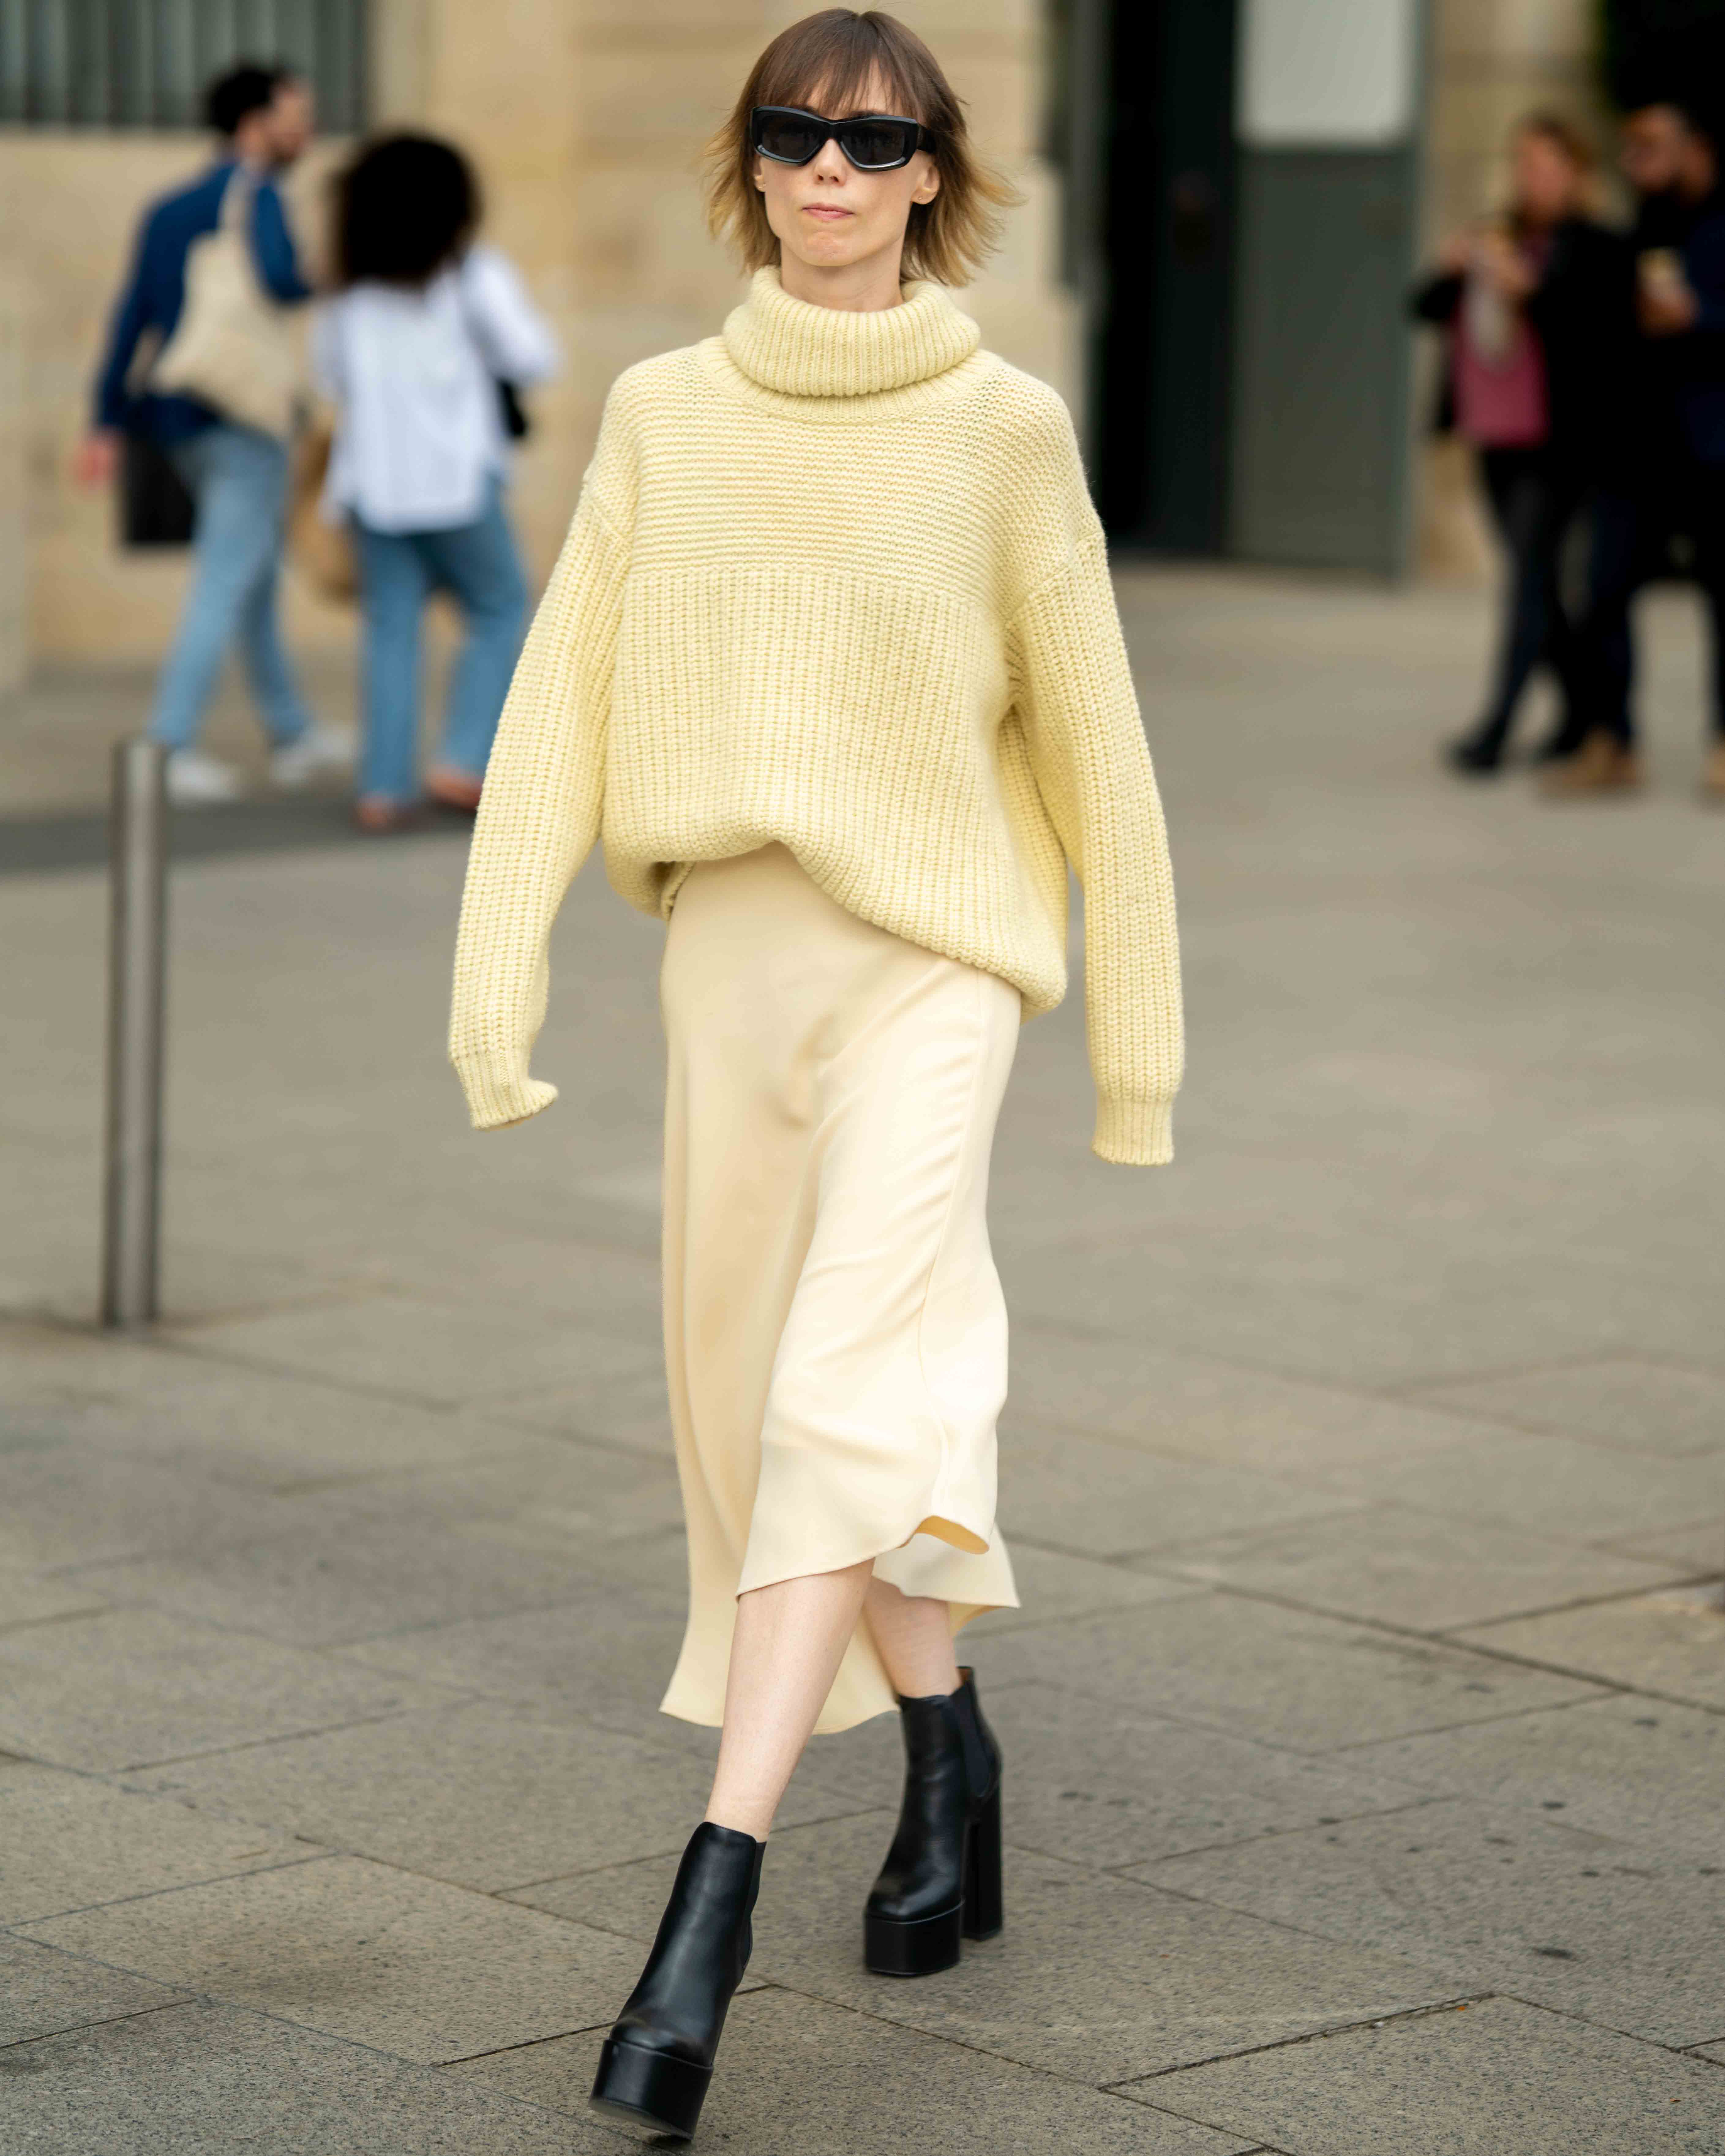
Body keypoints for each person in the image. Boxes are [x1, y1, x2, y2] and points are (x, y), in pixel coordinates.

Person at [447, 7, 1181, 2141]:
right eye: (793, 134)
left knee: (833, 1407)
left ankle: (709, 1909)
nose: (831, 171)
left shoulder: (1003, 428)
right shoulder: (665, 416)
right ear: (751, 165)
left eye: (872, 141)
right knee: (760, 1411)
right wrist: (492, 981)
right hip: (732, 972)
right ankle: (947, 1754)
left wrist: (1128, 1044)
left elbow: (1093, 750)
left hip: (936, 964)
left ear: (935, 172)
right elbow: (561, 693)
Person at [76, 62, 351, 807]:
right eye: (295, 115)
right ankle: (168, 745)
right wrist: (327, 272)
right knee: (228, 577)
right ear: (254, 123)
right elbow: (280, 281)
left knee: (253, 580)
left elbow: (133, 313)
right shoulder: (255, 195)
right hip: (242, 417)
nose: (306, 131)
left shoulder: (170, 207)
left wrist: (103, 417)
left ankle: (292, 732)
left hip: (179, 416)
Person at [313, 134, 557, 832]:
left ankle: (382, 788)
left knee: (391, 625)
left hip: (373, 486)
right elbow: (535, 356)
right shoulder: (470, 273)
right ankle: (461, 759)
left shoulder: (347, 289)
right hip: (456, 479)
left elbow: (327, 377)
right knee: (498, 606)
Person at [1412, 115, 1627, 774]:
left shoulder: (1595, 244)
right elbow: (1421, 308)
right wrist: (1451, 269)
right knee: (1537, 584)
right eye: (1523, 163)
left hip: (1556, 441)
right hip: (1493, 432)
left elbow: (1600, 330)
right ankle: (1580, 716)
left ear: (1574, 173)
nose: (1531, 176)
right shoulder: (1494, 233)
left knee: (1528, 583)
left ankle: (1498, 727)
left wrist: (1532, 291)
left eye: (1544, 164)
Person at [1553, 99, 1725, 799]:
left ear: (1696, 147)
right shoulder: (1635, 228)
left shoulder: (1720, 225)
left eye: (1652, 147)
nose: (1637, 162)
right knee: (1602, 589)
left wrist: (1699, 318)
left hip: (1712, 444)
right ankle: (1612, 742)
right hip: (1633, 446)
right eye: (1629, 149)